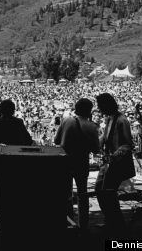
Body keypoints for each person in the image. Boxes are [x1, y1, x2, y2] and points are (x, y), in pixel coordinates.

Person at [54, 98, 99, 230]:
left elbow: (56, 141)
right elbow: (96, 149)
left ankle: (66, 222)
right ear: (89, 111)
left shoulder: (66, 120)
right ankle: (83, 225)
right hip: (81, 162)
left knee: (64, 193)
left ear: (76, 108)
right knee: (82, 194)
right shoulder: (91, 126)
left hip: (64, 161)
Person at [95, 93, 135, 234]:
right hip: (109, 163)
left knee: (107, 193)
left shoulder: (121, 120)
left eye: (100, 106)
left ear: (107, 105)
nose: (99, 109)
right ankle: (113, 222)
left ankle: (116, 225)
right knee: (102, 191)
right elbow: (104, 137)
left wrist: (113, 156)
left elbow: (127, 144)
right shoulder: (109, 118)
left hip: (117, 163)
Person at [0, 99, 33, 197]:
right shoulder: (18, 123)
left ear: (0, 111)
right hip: (16, 165)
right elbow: (28, 142)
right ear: (13, 111)